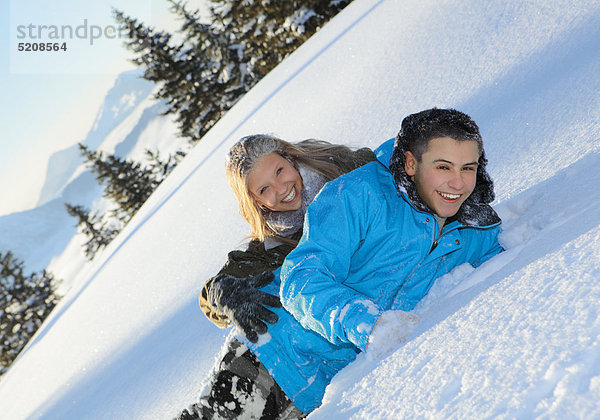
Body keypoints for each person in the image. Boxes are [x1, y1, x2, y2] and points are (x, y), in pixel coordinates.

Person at [178, 135, 376, 419]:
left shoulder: (345, 172)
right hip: (284, 365)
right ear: (256, 201)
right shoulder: (270, 248)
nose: (282, 190)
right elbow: (218, 288)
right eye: (264, 189)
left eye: (280, 171)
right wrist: (220, 293)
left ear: (291, 159)